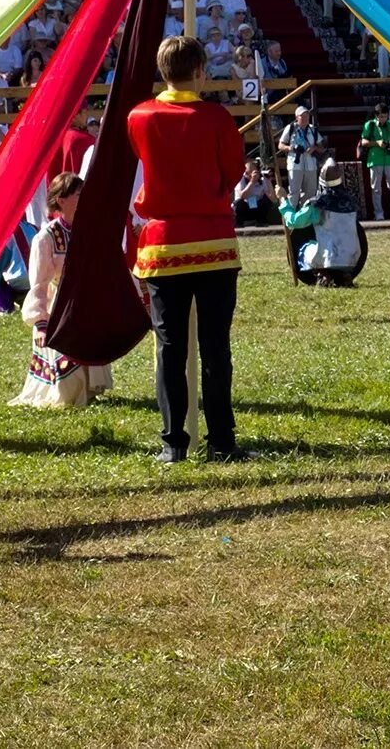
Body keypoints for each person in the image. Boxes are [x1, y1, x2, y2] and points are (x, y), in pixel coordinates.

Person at [127, 37, 248, 464]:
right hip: (214, 242)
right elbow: (232, 172)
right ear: (200, 71)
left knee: (169, 348)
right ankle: (222, 442)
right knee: (216, 347)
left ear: (163, 72)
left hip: (163, 249)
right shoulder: (217, 117)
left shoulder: (139, 117)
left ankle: (172, 442)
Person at [10, 174, 113, 409]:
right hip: (59, 305)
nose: (83, 198)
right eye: (78, 194)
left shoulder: (90, 230)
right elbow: (39, 284)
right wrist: (40, 322)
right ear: (62, 200)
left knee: (89, 348)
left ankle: (90, 389)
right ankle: (69, 390)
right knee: (67, 379)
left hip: (86, 303)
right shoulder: (45, 238)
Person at [277, 160, 363, 287]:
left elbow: (293, 222)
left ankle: (322, 273)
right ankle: (344, 275)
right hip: (353, 257)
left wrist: (283, 200)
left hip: (327, 258)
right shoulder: (352, 202)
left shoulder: (317, 205)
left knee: (304, 248)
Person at [359, 102, 390, 220]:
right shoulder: (370, 125)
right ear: (376, 116)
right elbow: (363, 142)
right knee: (376, 188)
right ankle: (378, 213)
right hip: (375, 159)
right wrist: (377, 143)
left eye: (385, 116)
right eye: (381, 116)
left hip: (389, 159)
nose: (383, 119)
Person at [278, 105, 325, 207]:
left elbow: (322, 148)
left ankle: (305, 217)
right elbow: (280, 145)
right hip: (295, 164)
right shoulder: (290, 128)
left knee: (311, 192)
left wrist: (314, 148)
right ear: (296, 117)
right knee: (294, 192)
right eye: (302, 116)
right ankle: (291, 218)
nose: (305, 118)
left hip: (310, 165)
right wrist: (291, 148)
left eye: (307, 115)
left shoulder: (313, 130)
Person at [233, 159, 277, 226]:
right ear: (246, 173)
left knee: (266, 200)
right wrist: (252, 182)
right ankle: (239, 222)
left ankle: (261, 221)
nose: (253, 175)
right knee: (239, 202)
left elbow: (273, 199)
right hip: (244, 208)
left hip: (256, 208)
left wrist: (269, 182)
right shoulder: (240, 179)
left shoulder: (262, 179)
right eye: (249, 173)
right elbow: (242, 196)